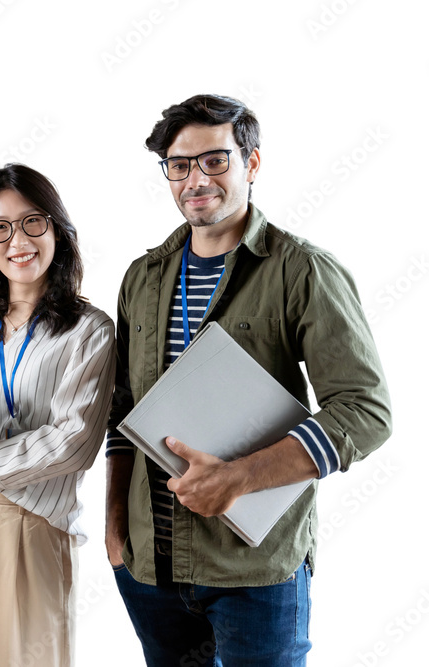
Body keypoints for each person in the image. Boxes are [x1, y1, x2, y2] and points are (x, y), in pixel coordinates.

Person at [104, 94, 392, 665]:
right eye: (179, 165)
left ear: (251, 163)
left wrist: (239, 478)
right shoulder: (143, 277)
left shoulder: (301, 270)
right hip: (150, 567)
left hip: (253, 573)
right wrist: (115, 524)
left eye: (215, 160)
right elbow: (123, 407)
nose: (195, 179)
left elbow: (365, 410)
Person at [0, 164, 115, 667]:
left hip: (32, 520)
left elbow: (74, 442)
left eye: (33, 222)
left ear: (57, 229)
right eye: (0, 228)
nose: (18, 241)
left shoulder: (88, 331)